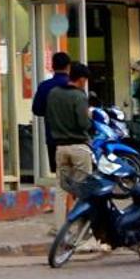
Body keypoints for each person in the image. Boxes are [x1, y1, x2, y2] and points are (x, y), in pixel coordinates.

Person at [45, 62, 94, 216]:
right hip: (79, 146)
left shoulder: (53, 93)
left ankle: (60, 228)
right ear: (81, 79)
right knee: (82, 189)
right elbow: (83, 123)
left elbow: (48, 116)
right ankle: (79, 229)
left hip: (60, 147)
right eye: (85, 80)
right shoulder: (79, 96)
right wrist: (90, 118)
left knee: (61, 190)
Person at [30, 50, 73, 180]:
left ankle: (63, 198)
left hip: (53, 137)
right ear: (68, 67)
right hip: (74, 138)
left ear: (53, 66)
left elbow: (37, 110)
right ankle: (72, 199)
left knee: (59, 176)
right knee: (75, 177)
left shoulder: (44, 86)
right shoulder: (73, 85)